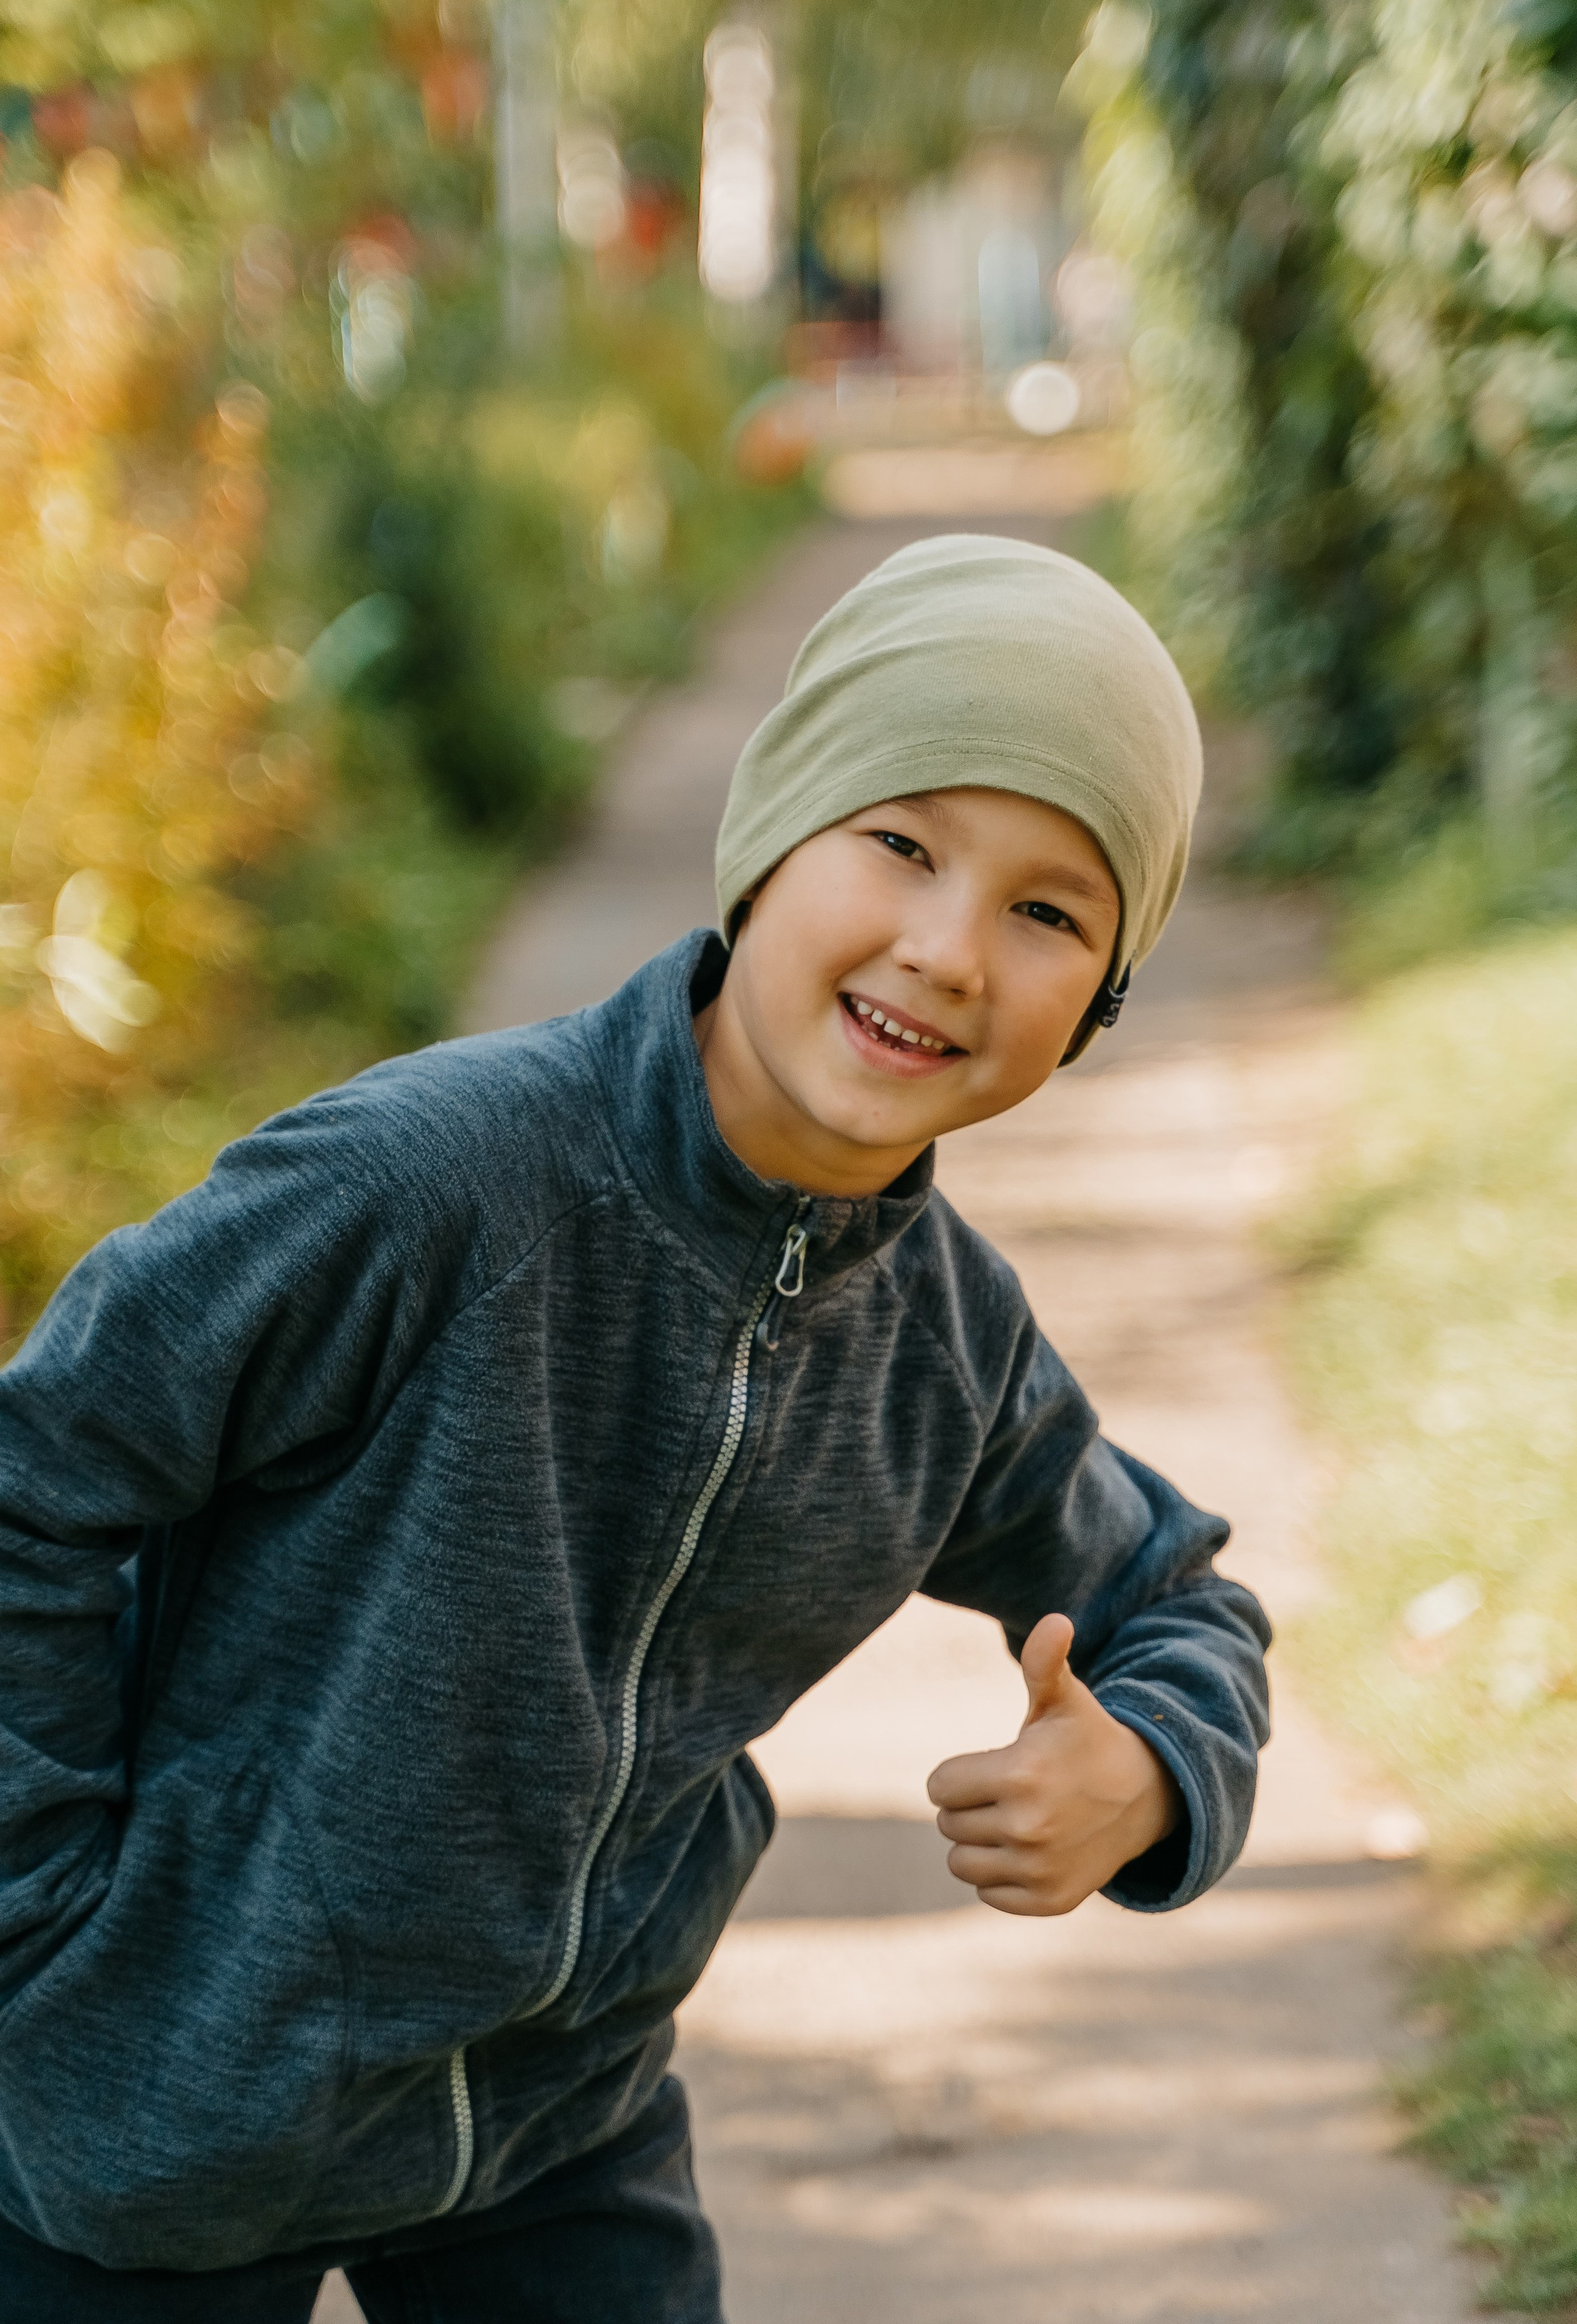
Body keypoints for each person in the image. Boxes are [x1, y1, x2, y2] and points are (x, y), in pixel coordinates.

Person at [0, 535, 1271, 2320]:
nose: (946, 948)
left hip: (552, 2129)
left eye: (1049, 911)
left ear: (1101, 1001)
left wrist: (1149, 1766)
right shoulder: (429, 1186)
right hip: (159, 2097)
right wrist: (44, 1919)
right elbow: (39, 1469)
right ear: (771, 837)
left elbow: (1178, 1600)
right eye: (901, 843)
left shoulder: (945, 1348)